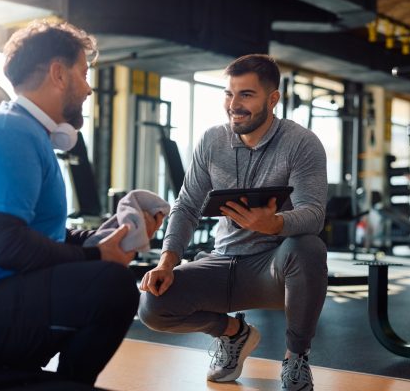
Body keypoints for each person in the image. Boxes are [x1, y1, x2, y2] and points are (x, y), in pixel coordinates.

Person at [0, 21, 163, 386]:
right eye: (84, 74)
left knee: (104, 275)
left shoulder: (26, 133)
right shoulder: (9, 132)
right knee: (112, 285)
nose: (88, 88)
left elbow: (38, 234)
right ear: (58, 74)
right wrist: (95, 257)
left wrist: (102, 238)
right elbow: (4, 244)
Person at [138, 54, 328, 391]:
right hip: (222, 262)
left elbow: (314, 214)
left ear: (273, 99)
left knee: (309, 248)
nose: (233, 105)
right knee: (153, 304)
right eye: (229, 94)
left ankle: (296, 357)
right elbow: (186, 206)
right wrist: (167, 262)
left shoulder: (301, 143)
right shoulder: (212, 141)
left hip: (273, 269)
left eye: (246, 95)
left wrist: (274, 224)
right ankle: (235, 334)